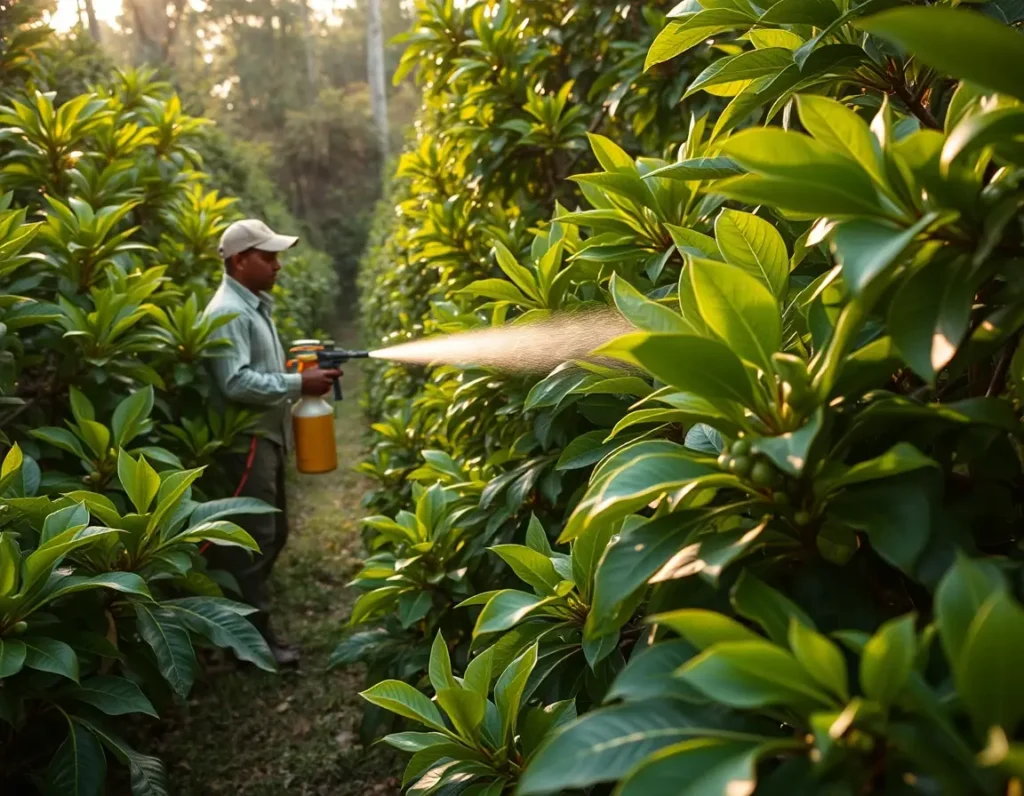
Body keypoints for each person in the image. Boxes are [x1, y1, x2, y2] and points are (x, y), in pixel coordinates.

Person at [203, 219, 340, 668]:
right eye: (268, 256)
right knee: (251, 539)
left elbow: (258, 368)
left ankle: (241, 628)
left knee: (272, 533)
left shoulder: (255, 306)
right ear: (239, 260)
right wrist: (298, 382)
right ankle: (249, 643)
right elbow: (235, 381)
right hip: (247, 441)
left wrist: (301, 371)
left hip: (267, 436)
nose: (278, 265)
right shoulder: (229, 312)